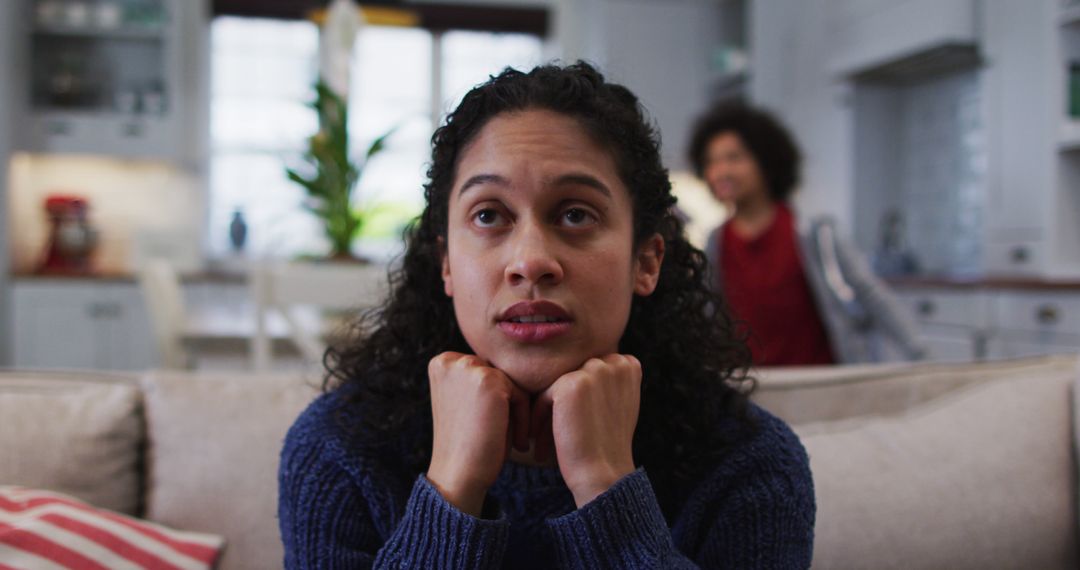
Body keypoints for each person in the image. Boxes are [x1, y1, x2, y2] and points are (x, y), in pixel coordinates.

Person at [279, 62, 815, 568]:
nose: (531, 260)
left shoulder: (748, 464)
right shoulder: (340, 449)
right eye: (489, 214)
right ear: (446, 263)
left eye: (576, 214)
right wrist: (451, 490)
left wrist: (607, 488)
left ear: (646, 261)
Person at [688, 101, 926, 365]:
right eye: (711, 161)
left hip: (820, 386)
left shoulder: (814, 233)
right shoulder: (716, 244)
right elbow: (708, 318)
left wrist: (921, 354)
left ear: (765, 162)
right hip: (752, 392)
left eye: (734, 158)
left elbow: (870, 294)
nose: (721, 171)